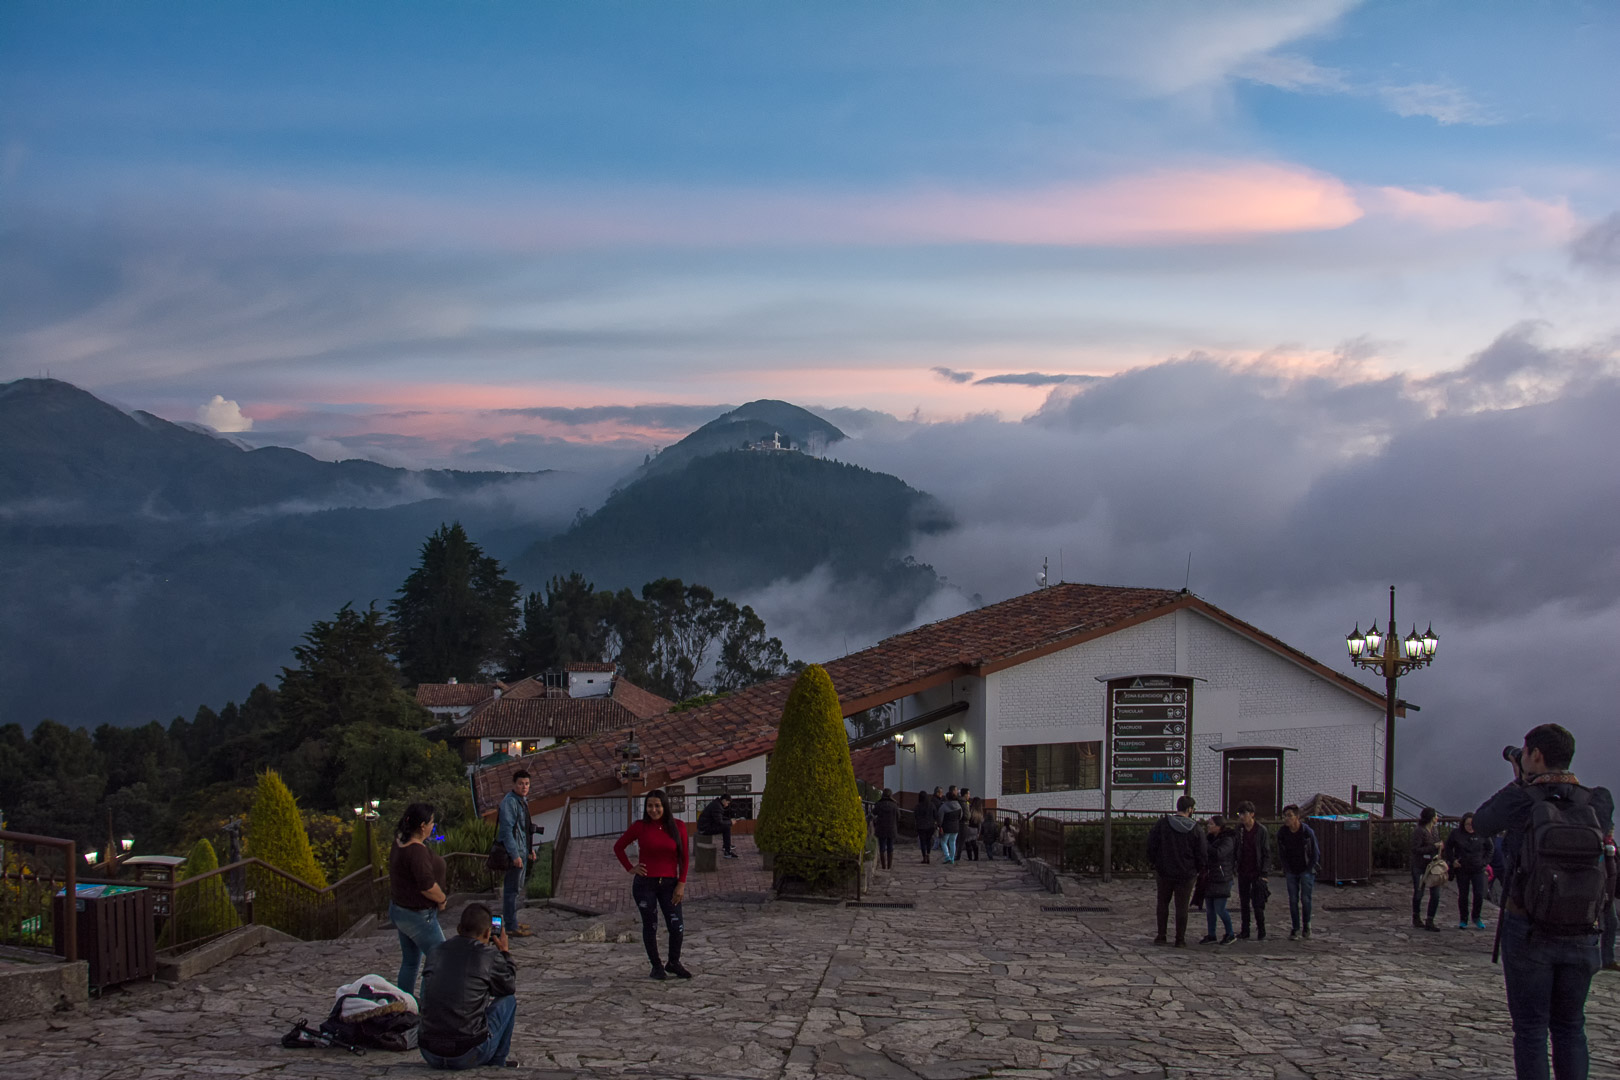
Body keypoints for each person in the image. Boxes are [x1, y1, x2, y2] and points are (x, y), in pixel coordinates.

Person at [1475, 724, 1613, 1079]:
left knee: (1532, 1030)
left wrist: (1520, 780)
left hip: (1528, 929)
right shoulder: (1599, 799)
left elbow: (1482, 821)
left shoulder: (1522, 798)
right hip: (1583, 929)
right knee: (1570, 1026)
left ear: (1535, 755)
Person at [417, 902, 517, 1070]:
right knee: (508, 1000)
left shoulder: (435, 952)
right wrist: (505, 953)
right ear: (488, 933)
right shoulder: (488, 955)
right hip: (467, 1053)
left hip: (429, 1051)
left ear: (458, 928)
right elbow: (508, 987)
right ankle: (498, 1063)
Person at [612, 788, 691, 980]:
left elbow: (685, 858)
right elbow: (619, 847)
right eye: (649, 806)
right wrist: (631, 868)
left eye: (657, 806)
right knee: (650, 925)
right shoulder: (640, 827)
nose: (653, 810)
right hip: (645, 885)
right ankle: (656, 966)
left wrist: (681, 883)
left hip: (670, 884)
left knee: (676, 926)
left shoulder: (678, 827)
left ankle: (673, 962)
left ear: (664, 806)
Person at [388, 802, 448, 997]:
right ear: (422, 826)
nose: (433, 826)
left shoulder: (399, 841)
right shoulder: (417, 852)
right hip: (418, 915)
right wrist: (442, 899)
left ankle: (404, 1002)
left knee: (411, 961)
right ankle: (425, 1004)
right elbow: (427, 886)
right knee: (439, 958)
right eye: (431, 822)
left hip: (400, 909)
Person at [1146, 795, 1206, 947]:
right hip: (1186, 874)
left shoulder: (1163, 824)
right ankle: (1180, 939)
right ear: (1190, 809)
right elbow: (1201, 853)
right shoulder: (1195, 829)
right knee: (1182, 907)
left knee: (1163, 903)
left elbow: (1151, 844)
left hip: (1164, 870)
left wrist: (1156, 863)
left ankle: (1161, 935)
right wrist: (1198, 869)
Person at [497, 770, 536, 938]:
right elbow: (507, 831)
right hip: (514, 853)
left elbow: (524, 830)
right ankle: (511, 926)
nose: (524, 787)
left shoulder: (522, 802)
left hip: (522, 850)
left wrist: (529, 850)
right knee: (511, 890)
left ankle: (512, 921)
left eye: (527, 784)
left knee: (517, 889)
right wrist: (515, 855)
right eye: (521, 783)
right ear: (514, 784)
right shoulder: (510, 803)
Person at [1276, 805, 1319, 940]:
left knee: (1305, 899)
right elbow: (1281, 852)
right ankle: (1295, 928)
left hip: (1305, 869)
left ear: (1297, 817)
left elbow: (1315, 853)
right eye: (1285, 816)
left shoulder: (1307, 832)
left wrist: (1309, 869)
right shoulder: (1282, 833)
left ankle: (1306, 925)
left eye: (1289, 815)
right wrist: (1286, 868)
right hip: (1291, 870)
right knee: (1293, 900)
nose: (1286, 819)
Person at [1444, 812, 1491, 931]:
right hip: (1462, 868)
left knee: (1479, 894)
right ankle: (1463, 919)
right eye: (1467, 824)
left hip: (1478, 868)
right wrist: (1453, 860)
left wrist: (1484, 862)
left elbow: (1490, 849)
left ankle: (1476, 917)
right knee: (1463, 895)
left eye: (1472, 824)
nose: (1470, 827)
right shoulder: (1456, 834)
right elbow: (1448, 847)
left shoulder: (1483, 833)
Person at [1234, 800, 1270, 941]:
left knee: (1258, 903)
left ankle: (1261, 930)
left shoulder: (1261, 830)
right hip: (1243, 870)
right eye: (1240, 814)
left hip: (1257, 871)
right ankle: (1245, 930)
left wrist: (1264, 873)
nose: (1242, 817)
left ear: (1252, 814)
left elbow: (1266, 852)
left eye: (1244, 813)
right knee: (1244, 902)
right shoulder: (1239, 830)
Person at [1200, 815, 1237, 945]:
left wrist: (1205, 846)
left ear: (1219, 826)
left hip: (1222, 877)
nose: (1208, 826)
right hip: (1210, 876)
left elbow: (1219, 853)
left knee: (1220, 908)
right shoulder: (1209, 838)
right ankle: (1211, 934)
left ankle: (1230, 933)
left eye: (1211, 824)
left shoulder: (1227, 839)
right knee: (1209, 909)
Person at [1411, 806, 1444, 933]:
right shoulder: (1419, 831)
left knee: (1435, 894)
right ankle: (1416, 916)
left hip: (1432, 866)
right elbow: (1415, 849)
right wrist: (1432, 847)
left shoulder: (1435, 830)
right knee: (1419, 892)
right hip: (1419, 866)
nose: (1437, 818)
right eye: (1435, 816)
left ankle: (1430, 919)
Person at [697, 793, 739, 859]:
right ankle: (727, 851)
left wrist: (729, 820)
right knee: (727, 828)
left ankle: (726, 846)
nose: (727, 805)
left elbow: (719, 817)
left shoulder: (716, 803)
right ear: (724, 800)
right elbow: (719, 822)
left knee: (727, 826)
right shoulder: (717, 807)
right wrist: (730, 822)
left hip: (704, 826)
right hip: (704, 829)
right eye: (727, 803)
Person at [872, 788, 900, 870]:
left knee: (882, 847)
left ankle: (883, 865)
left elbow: (873, 812)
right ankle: (889, 865)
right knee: (890, 846)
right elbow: (899, 816)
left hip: (881, 828)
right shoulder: (894, 805)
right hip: (891, 828)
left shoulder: (879, 804)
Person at [1604, 828, 1618, 973]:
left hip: (1609, 891)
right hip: (1599, 891)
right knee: (1607, 924)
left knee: (1612, 924)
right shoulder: (1600, 843)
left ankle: (1607, 959)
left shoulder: (1611, 845)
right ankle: (1606, 959)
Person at [937, 791, 964, 865]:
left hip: (946, 827)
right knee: (953, 842)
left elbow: (940, 817)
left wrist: (940, 826)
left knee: (944, 842)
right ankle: (952, 858)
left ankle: (947, 856)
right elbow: (960, 816)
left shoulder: (944, 806)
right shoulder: (959, 806)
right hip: (955, 826)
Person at [913, 789, 937, 864]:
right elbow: (935, 815)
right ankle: (928, 854)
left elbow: (915, 816)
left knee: (922, 842)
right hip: (930, 826)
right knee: (928, 841)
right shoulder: (931, 805)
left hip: (921, 826)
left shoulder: (918, 806)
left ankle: (924, 857)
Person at [963, 797, 984, 862]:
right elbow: (980, 824)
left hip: (968, 828)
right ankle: (976, 857)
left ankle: (970, 858)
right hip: (975, 829)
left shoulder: (970, 809)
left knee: (967, 843)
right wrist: (978, 832)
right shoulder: (980, 812)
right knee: (974, 843)